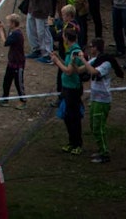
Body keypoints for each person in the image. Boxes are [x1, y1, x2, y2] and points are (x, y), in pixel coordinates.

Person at [49, 26, 86, 155]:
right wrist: (58, 58)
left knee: (73, 117)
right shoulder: (70, 51)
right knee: (67, 116)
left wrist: (56, 62)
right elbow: (66, 65)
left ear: (66, 38)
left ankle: (77, 143)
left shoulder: (75, 52)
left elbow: (69, 71)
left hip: (72, 89)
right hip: (66, 88)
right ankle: (71, 142)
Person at [0, 13, 27, 109]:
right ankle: (5, 99)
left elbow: (5, 42)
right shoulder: (14, 33)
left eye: (9, 22)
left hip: (18, 63)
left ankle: (23, 101)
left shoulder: (16, 34)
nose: (8, 24)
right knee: (7, 81)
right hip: (12, 62)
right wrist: (4, 30)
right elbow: (8, 40)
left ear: (13, 23)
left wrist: (1, 31)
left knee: (19, 83)